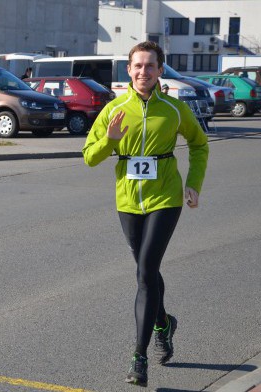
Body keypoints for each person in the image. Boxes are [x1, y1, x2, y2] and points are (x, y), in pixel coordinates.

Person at [82, 41, 209, 388]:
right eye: (138, 66)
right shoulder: (114, 109)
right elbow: (90, 157)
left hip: (165, 199)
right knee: (145, 271)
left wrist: (194, 183)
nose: (143, 72)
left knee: (145, 271)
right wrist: (109, 140)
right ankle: (164, 323)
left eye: (150, 66)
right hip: (128, 202)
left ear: (160, 70)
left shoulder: (174, 109)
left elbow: (199, 144)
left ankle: (139, 358)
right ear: (129, 69)